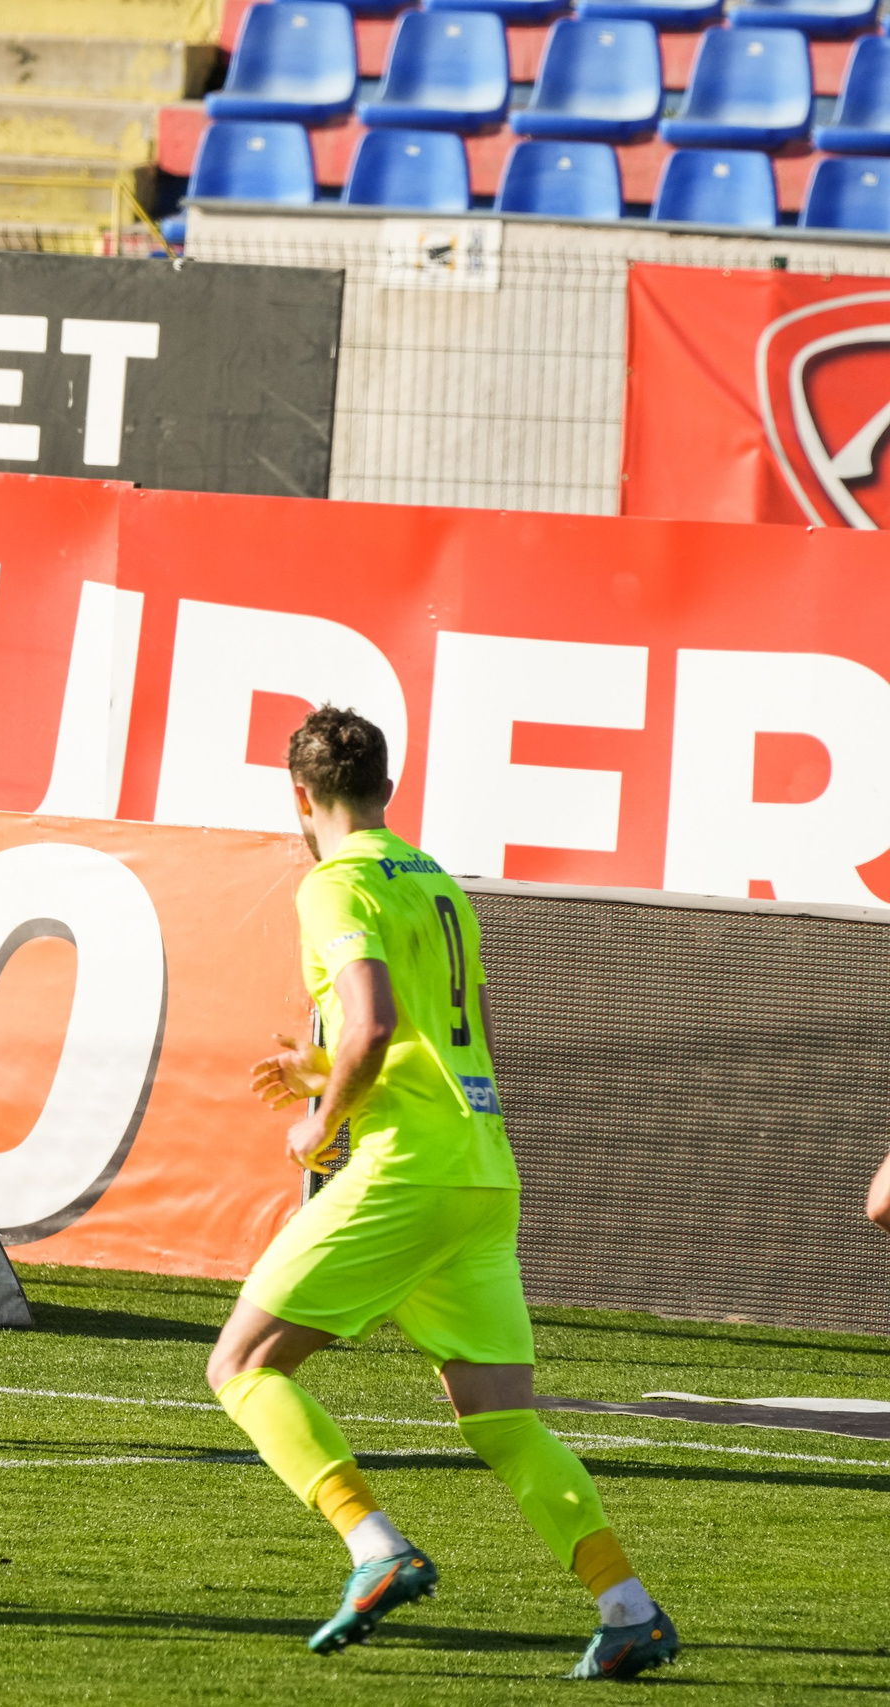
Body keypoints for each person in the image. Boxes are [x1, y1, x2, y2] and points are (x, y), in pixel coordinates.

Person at [208, 705, 677, 1681]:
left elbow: (375, 1025)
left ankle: (374, 1548)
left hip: (403, 1170)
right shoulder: (434, 882)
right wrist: (322, 1066)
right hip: (479, 1168)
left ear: (299, 796)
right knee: (502, 1417)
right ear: (389, 786)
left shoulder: (332, 886)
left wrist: (322, 1120)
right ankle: (625, 1605)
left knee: (242, 1365)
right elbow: (460, 1036)